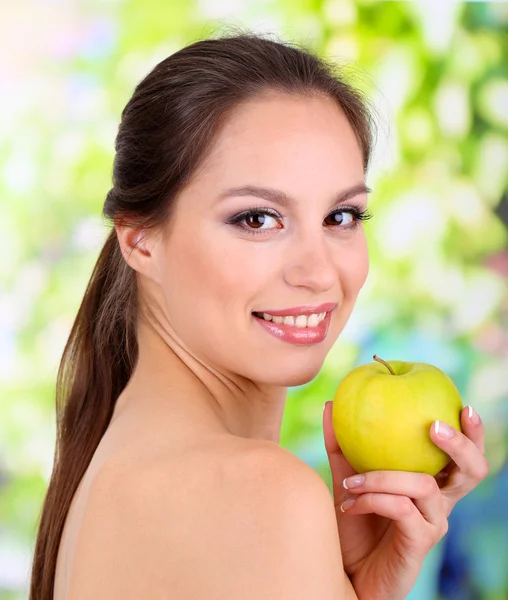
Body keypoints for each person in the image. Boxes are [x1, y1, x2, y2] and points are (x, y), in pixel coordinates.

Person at [29, 31, 489, 600]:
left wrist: (362, 588)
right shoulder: (258, 492)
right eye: (256, 219)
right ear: (140, 239)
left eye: (341, 216)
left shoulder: (115, 463)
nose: (318, 272)